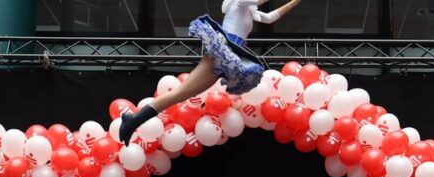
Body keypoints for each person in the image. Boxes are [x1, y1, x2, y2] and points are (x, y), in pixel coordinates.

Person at [118, 0, 302, 143]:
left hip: (229, 53)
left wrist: (295, 2)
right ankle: (132, 122)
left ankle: (132, 120)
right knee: (181, 93)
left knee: (181, 94)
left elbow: (269, 17)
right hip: (224, 48)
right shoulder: (239, 2)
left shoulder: (247, 8)